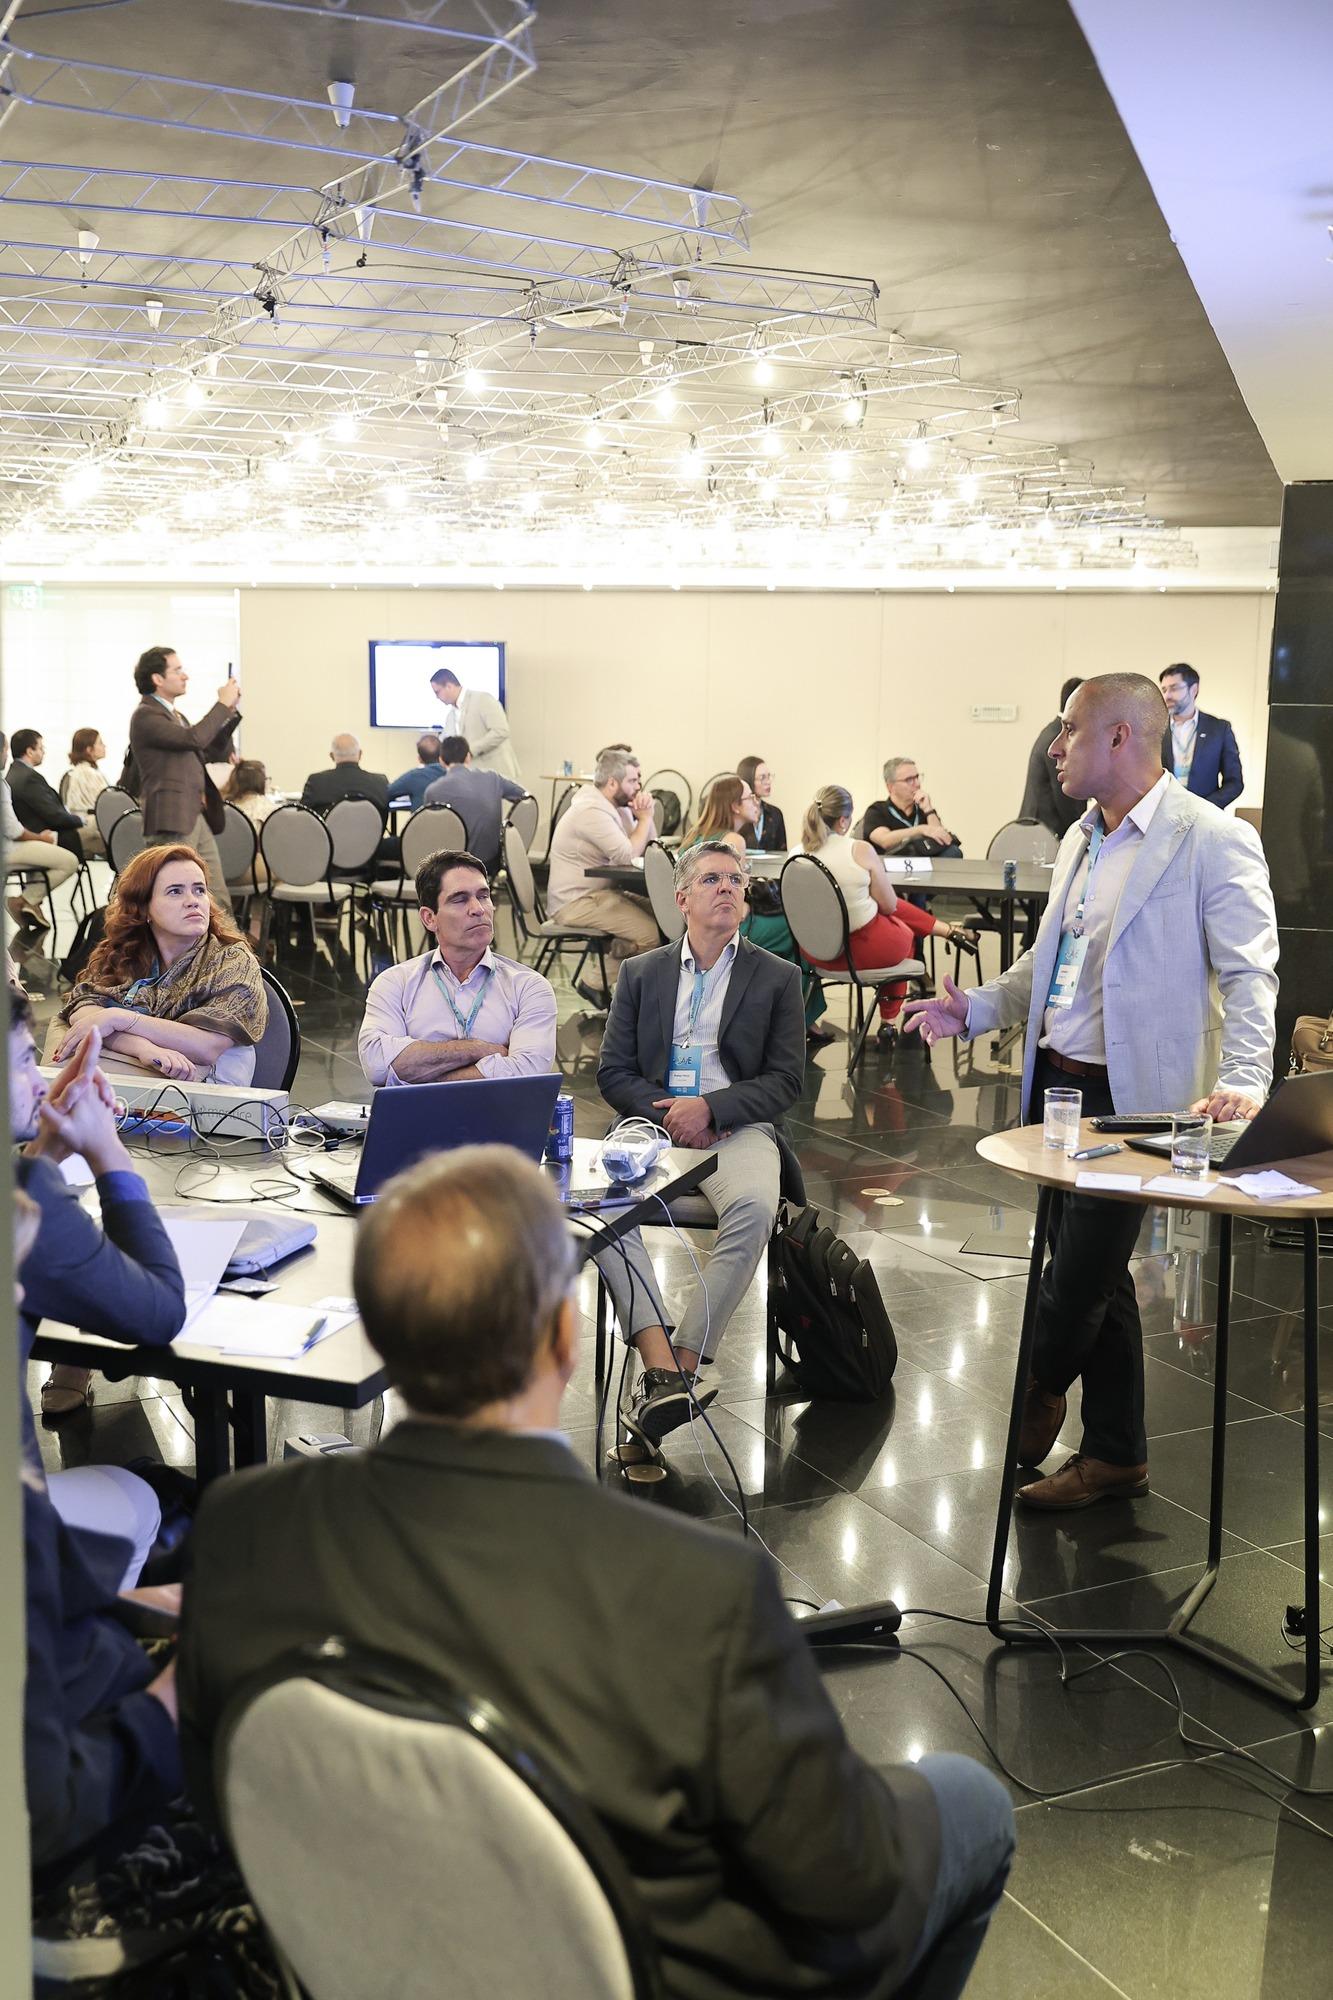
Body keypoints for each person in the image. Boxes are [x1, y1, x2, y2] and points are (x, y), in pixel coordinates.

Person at [178, 1144, 1014, 2000]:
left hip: (355, 1945)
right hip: (655, 1971)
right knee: (968, 1801)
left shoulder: (240, 1527)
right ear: (562, 1336)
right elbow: (844, 1882)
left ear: (376, 1329)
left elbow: (218, 1793)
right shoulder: (699, 1591)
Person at [903, 673, 1278, 1510]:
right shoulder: (1082, 837)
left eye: (1069, 729)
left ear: (1119, 736)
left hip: (1137, 1101)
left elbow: (1249, 974)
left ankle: (1039, 1383)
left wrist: (1243, 1080)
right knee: (1095, 1278)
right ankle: (1115, 1455)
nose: (1053, 747)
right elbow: (1049, 960)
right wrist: (976, 1008)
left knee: (1077, 1277)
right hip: (1058, 1088)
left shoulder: (1209, 838)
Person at [596, 839, 805, 1441]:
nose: (728, 888)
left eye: (736, 880)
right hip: (654, 1126)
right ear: (682, 898)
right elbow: (613, 1072)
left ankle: (678, 1368)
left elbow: (786, 1079)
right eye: (713, 879)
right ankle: (658, 1362)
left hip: (738, 1126)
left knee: (755, 1208)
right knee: (603, 1210)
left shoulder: (778, 977)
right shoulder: (641, 973)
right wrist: (671, 1114)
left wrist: (712, 1108)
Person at [51, 845, 268, 1088]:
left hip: (207, 1095)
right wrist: (142, 1048)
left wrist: (119, 1018)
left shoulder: (233, 959)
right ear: (144, 908)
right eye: (175, 891)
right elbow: (82, 1009)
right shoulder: (126, 952)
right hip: (140, 1083)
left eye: (199, 890)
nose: (193, 901)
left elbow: (207, 1047)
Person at [359, 848, 557, 1086]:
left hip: (497, 1110)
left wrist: (417, 1075)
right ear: (429, 918)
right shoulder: (395, 984)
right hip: (421, 1112)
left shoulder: (528, 987)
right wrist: (479, 1049)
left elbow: (528, 1073)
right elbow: (376, 1066)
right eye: (460, 899)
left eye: (483, 896)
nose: (478, 909)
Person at [801, 788, 978, 1048]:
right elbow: (890, 905)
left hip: (815, 953)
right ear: (844, 821)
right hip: (859, 954)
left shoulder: (798, 853)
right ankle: (888, 1023)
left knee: (879, 909)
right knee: (903, 933)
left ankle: (948, 930)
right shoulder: (858, 850)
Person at [683, 776, 830, 1040]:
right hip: (728, 928)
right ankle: (798, 1020)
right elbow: (736, 895)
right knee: (801, 933)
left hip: (697, 929)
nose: (756, 802)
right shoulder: (733, 840)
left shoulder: (696, 835)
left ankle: (777, 1015)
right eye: (749, 797)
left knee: (788, 944)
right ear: (735, 806)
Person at [126, 646, 239, 905]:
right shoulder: (146, 715)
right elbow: (194, 738)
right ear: (157, 679)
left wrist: (229, 712)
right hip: (172, 817)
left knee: (217, 896)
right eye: (177, 670)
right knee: (179, 898)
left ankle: (220, 935)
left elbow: (205, 749)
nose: (185, 676)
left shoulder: (175, 716)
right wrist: (221, 704)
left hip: (193, 813)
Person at [546, 746, 659, 1003]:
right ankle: (594, 982)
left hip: (601, 894)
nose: (638, 787)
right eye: (632, 781)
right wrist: (644, 819)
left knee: (667, 920)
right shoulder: (591, 811)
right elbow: (628, 855)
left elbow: (648, 848)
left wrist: (645, 817)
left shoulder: (615, 807)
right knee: (652, 935)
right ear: (612, 783)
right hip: (575, 902)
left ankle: (624, 949)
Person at [2, 730, 79, 937]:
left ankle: (31, 903)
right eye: (4, 751)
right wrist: (41, 838)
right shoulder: (17, 780)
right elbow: (14, 830)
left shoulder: (11, 776)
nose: (7, 756)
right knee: (69, 860)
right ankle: (24, 901)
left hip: (15, 843)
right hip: (10, 848)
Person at [423, 734, 526, 873]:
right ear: (468, 757)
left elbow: (431, 833)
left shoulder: (433, 791)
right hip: (489, 864)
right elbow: (525, 798)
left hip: (451, 867)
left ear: (441, 760)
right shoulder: (493, 778)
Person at [1158, 663, 1244, 810]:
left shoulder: (1219, 729)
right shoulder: (1155, 729)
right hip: (1163, 813)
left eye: (1174, 688)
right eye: (1164, 690)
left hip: (1204, 815)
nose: (1167, 696)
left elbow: (1234, 783)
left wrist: (1203, 808)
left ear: (1194, 689)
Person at [429, 665, 521, 782]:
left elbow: (501, 731)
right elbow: (445, 741)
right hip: (474, 778)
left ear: (449, 686)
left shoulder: (482, 699)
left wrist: (470, 750)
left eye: (437, 692)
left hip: (497, 774)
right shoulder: (451, 715)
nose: (437, 697)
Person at [8, 729, 87, 863]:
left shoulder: (13, 774)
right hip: (46, 835)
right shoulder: (29, 778)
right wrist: (80, 820)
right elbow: (54, 815)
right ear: (30, 751)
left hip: (33, 833)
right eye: (41, 748)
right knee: (97, 832)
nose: (43, 752)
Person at [1019, 677, 1085, 838]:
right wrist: (1081, 830)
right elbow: (1064, 795)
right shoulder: (1059, 737)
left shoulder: (1054, 730)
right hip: (1043, 832)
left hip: (1041, 828)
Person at [861, 759, 962, 858]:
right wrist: (921, 830)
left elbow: (942, 840)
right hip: (891, 865)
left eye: (917, 777)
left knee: (953, 852)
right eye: (909, 780)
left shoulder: (922, 810)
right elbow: (884, 840)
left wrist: (928, 809)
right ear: (890, 787)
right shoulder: (877, 810)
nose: (917, 784)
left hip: (925, 865)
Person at [300, 733, 390, 814]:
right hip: (370, 828)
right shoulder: (380, 782)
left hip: (329, 828)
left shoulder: (316, 782)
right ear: (360, 754)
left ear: (332, 756)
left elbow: (302, 815)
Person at [61, 728, 109, 858]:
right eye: (100, 743)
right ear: (89, 749)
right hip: (92, 828)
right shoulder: (91, 774)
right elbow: (106, 805)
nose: (104, 746)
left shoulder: (74, 772)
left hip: (78, 826)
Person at [737, 754, 787, 852]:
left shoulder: (775, 813)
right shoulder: (737, 813)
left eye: (769, 776)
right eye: (762, 778)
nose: (768, 782)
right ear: (748, 780)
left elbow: (782, 852)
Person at [388, 732, 444, 809]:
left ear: (420, 759)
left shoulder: (414, 776)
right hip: (449, 817)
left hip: (422, 817)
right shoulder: (452, 775)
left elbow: (388, 792)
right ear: (442, 756)